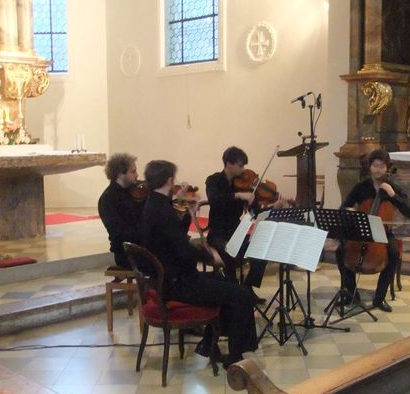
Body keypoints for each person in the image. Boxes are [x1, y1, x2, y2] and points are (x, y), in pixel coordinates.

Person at [141, 160, 258, 369]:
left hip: (172, 278)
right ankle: (235, 356)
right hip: (178, 284)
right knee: (242, 295)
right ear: (169, 180)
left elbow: (175, 236)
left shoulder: (154, 203)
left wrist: (189, 214)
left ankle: (208, 345)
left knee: (225, 283)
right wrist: (211, 257)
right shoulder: (161, 210)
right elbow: (184, 249)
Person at [335, 149, 410, 312]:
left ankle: (379, 298)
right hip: (361, 231)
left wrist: (393, 195)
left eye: (381, 166)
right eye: (374, 165)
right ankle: (350, 294)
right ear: (370, 167)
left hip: (383, 233)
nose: (377, 169)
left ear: (387, 168)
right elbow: (345, 206)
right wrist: (348, 210)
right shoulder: (361, 187)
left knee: (392, 253)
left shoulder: (392, 188)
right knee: (340, 252)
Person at [205, 146, 286, 304]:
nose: (244, 170)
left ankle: (247, 288)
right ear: (229, 164)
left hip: (237, 233)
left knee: (261, 250)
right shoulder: (213, 180)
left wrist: (273, 207)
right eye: (240, 165)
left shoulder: (245, 186)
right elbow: (214, 199)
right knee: (230, 253)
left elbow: (255, 212)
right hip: (218, 234)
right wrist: (238, 195)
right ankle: (232, 292)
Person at [98, 153, 144, 267]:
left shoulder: (133, 193)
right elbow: (120, 233)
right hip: (128, 254)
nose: (137, 175)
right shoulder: (108, 199)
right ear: (120, 174)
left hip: (142, 248)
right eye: (133, 172)